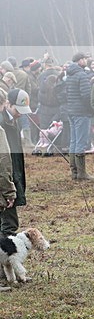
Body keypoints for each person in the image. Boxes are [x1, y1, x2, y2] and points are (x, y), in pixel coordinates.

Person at [1, 89, 29, 236]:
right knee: (9, 223)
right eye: (18, 109)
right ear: (7, 104)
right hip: (5, 177)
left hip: (11, 174)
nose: (20, 113)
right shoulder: (3, 123)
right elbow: (4, 159)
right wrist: (8, 188)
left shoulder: (12, 121)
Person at [65, 52, 94, 181]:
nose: (86, 61)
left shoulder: (70, 75)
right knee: (81, 142)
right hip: (81, 112)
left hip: (71, 111)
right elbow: (86, 95)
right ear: (80, 60)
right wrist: (91, 109)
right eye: (85, 59)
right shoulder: (82, 75)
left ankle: (74, 171)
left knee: (74, 141)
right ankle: (82, 173)